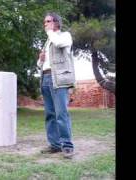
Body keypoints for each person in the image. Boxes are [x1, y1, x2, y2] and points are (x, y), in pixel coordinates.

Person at [37, 12, 76, 159]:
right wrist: (40, 60)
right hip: (46, 78)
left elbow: (59, 43)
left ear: (56, 22)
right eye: (44, 22)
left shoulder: (64, 36)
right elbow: (40, 64)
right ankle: (54, 145)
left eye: (48, 21)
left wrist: (50, 32)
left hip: (58, 79)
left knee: (61, 114)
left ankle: (67, 146)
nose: (45, 24)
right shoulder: (47, 41)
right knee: (50, 115)